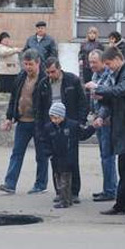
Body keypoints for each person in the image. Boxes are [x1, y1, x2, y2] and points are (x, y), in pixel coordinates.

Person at [85, 47, 125, 221]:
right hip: (124, 129)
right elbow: (112, 99)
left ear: (117, 59)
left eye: (108, 64)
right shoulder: (117, 73)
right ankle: (121, 205)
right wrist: (101, 114)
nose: (108, 67)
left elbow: (119, 91)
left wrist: (98, 87)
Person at [0, 49, 51, 195]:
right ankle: (10, 184)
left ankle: (40, 185)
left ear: (38, 63)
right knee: (17, 153)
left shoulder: (45, 79)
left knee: (41, 155)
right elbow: (14, 98)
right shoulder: (21, 77)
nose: (28, 67)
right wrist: (9, 118)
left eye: (31, 64)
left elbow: (48, 103)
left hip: (39, 123)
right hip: (22, 121)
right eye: (25, 64)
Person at [42, 57, 88, 204]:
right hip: (52, 125)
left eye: (53, 71)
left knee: (72, 160)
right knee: (55, 160)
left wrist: (80, 122)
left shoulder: (72, 80)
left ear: (59, 68)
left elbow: (82, 101)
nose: (50, 75)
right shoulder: (43, 84)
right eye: (48, 72)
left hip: (70, 124)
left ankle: (74, 192)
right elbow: (39, 106)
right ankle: (60, 191)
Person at [41, 102, 95, 209]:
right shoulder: (48, 128)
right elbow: (45, 142)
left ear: (62, 116)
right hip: (55, 158)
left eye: (57, 118)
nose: (54, 121)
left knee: (66, 180)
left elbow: (83, 134)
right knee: (58, 179)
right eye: (52, 118)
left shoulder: (72, 125)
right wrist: (48, 153)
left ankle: (66, 199)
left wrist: (93, 127)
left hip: (69, 158)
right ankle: (62, 195)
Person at [87, 49, 118, 202]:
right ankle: (108, 188)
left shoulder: (108, 75)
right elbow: (95, 98)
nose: (91, 65)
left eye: (94, 62)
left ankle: (111, 190)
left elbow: (108, 99)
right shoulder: (96, 75)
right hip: (98, 118)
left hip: (107, 121)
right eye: (90, 62)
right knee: (104, 156)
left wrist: (101, 115)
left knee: (108, 157)